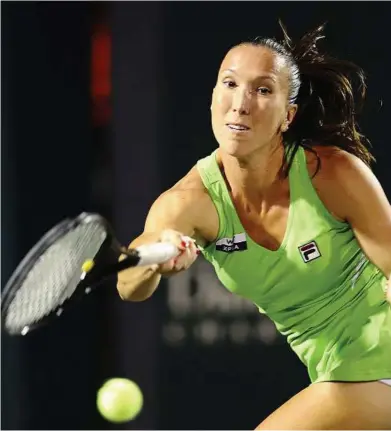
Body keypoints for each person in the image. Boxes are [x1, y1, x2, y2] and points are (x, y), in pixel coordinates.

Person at [117, 22, 391, 430]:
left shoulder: (334, 174)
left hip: (376, 357)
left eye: (263, 90)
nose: (240, 103)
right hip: (339, 373)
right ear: (212, 99)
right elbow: (129, 286)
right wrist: (154, 259)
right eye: (229, 84)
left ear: (288, 115)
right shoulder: (187, 204)